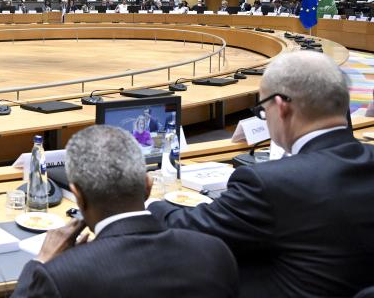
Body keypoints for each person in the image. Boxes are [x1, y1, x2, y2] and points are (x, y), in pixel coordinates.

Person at [149, 51, 374, 297]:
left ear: (281, 107)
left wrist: (150, 202)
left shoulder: (271, 183)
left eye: (263, 110)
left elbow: (185, 231)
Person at [12, 126, 238, 298]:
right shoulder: (215, 252)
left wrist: (41, 261)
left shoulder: (59, 277)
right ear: (148, 186)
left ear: (78, 196)